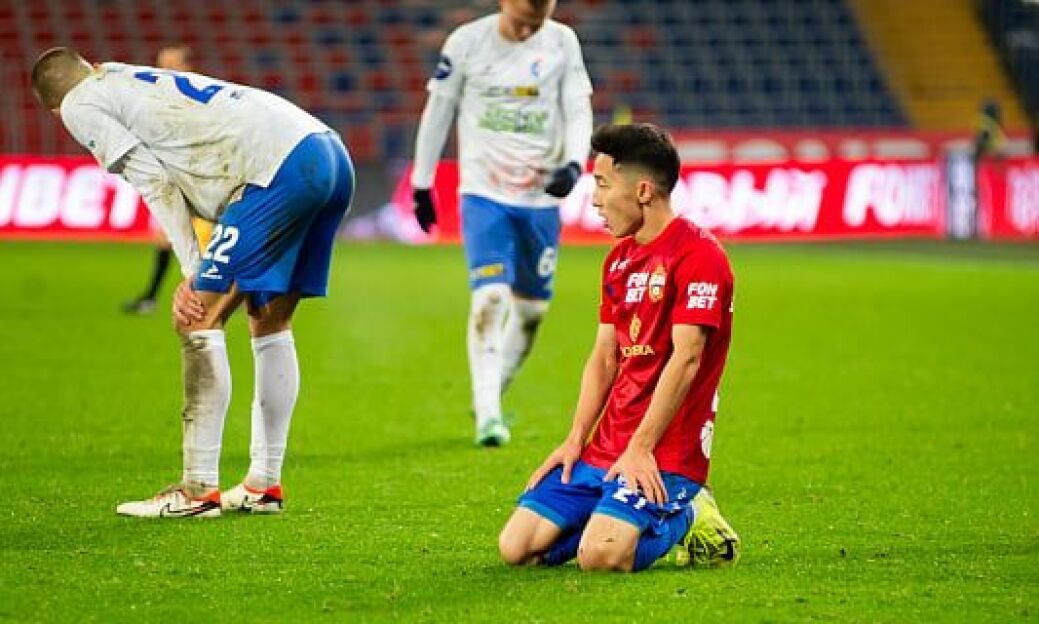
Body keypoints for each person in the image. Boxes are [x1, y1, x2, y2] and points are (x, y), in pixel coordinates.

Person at [31, 47, 354, 518]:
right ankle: (263, 483)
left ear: (55, 111)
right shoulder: (118, 76)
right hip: (326, 151)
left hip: (277, 168)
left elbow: (154, 182)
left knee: (195, 318)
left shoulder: (78, 103)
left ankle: (197, 490)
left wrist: (192, 270)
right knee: (269, 319)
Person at [497, 123, 739, 572]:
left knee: (600, 557)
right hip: (605, 447)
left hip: (664, 452)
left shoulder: (700, 256)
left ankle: (689, 513)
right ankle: (610, 512)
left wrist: (642, 446)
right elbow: (604, 358)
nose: (594, 199)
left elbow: (687, 358)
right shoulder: (618, 261)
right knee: (517, 548)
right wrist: (575, 439)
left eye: (603, 184)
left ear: (643, 191)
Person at [410, 0, 593, 446]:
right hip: (484, 193)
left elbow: (577, 108)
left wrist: (574, 163)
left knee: (531, 313)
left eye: (539, 22)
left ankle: (490, 393)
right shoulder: (467, 42)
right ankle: (489, 416)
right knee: (490, 298)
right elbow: (439, 109)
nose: (531, 31)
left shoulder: (562, 42)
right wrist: (422, 182)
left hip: (540, 197)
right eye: (524, 22)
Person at [123, 45, 214, 315]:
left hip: (206, 177)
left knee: (221, 242)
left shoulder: (198, 96)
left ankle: (243, 296)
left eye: (171, 65)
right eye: (161, 64)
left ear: (186, 67)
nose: (164, 70)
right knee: (165, 238)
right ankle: (150, 298)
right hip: (180, 177)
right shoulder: (155, 99)